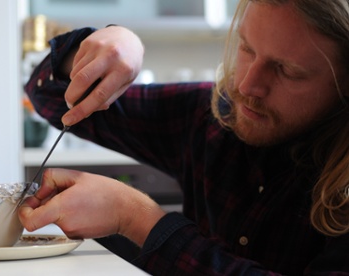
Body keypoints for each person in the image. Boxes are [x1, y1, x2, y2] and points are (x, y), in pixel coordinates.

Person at [19, 0, 349, 274]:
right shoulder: (213, 114)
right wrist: (113, 44)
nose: (248, 86)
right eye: (247, 48)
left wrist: (135, 217)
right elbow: (48, 94)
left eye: (287, 70)